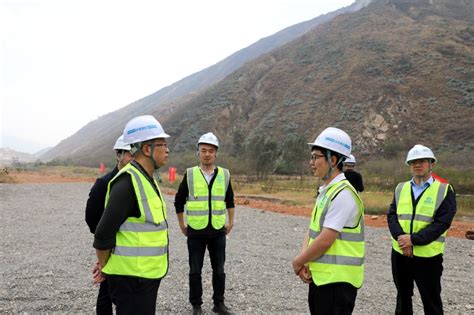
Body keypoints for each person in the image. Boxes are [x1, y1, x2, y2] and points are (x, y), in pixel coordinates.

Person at [93, 115, 170, 315]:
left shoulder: (147, 179)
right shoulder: (127, 183)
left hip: (144, 276)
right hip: (132, 280)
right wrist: (105, 265)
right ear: (147, 149)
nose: (167, 150)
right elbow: (102, 234)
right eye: (162, 144)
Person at [292, 127, 365, 315]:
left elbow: (326, 239)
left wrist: (298, 261)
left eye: (316, 157)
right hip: (323, 278)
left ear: (333, 160)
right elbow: (313, 229)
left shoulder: (343, 194)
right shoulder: (326, 191)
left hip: (337, 283)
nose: (312, 163)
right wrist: (305, 260)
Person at [387, 144, 456, 315]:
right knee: (403, 298)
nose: (418, 164)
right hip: (400, 253)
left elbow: (442, 223)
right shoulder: (400, 188)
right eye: (413, 161)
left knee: (431, 300)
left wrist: (414, 240)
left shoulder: (444, 190)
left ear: (431, 164)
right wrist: (402, 239)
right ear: (409, 165)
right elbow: (392, 215)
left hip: (428, 257)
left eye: (422, 161)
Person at [174, 132, 235, 315]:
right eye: (203, 150)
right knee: (195, 270)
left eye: (211, 151)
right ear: (198, 153)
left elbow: (229, 200)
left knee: (219, 271)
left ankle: (219, 304)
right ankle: (196, 305)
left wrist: (231, 222)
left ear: (216, 153)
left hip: (217, 229)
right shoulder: (190, 174)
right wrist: (182, 225)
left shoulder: (224, 174)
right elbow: (179, 201)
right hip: (195, 230)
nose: (207, 154)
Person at [85, 135, 132, 314]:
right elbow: (92, 219)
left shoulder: (140, 183)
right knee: (106, 292)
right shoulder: (104, 184)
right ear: (118, 155)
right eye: (129, 155)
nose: (133, 160)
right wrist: (106, 240)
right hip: (111, 249)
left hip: (132, 251)